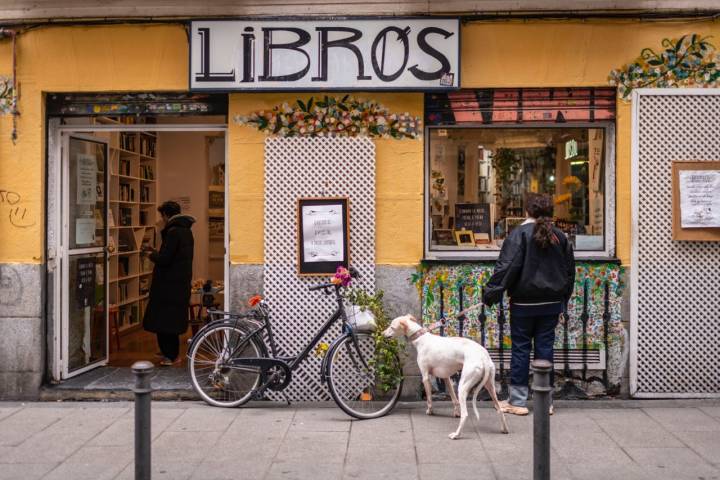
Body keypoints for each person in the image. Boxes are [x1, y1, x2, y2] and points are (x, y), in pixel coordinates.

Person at [482, 193, 575, 415]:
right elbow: (569, 273)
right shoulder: (560, 237)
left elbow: (506, 267)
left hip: (523, 304)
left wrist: (491, 294)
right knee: (545, 349)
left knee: (521, 349)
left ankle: (518, 401)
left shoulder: (518, 234)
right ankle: (546, 400)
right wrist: (563, 300)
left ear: (527, 211)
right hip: (551, 304)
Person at [142, 201, 195, 366]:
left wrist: (150, 255)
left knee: (163, 321)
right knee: (171, 320)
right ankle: (170, 352)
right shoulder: (186, 231)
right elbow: (174, 257)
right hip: (179, 284)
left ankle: (170, 355)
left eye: (162, 215)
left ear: (166, 215)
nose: (161, 219)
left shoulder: (172, 232)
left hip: (167, 286)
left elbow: (165, 259)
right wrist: (156, 252)